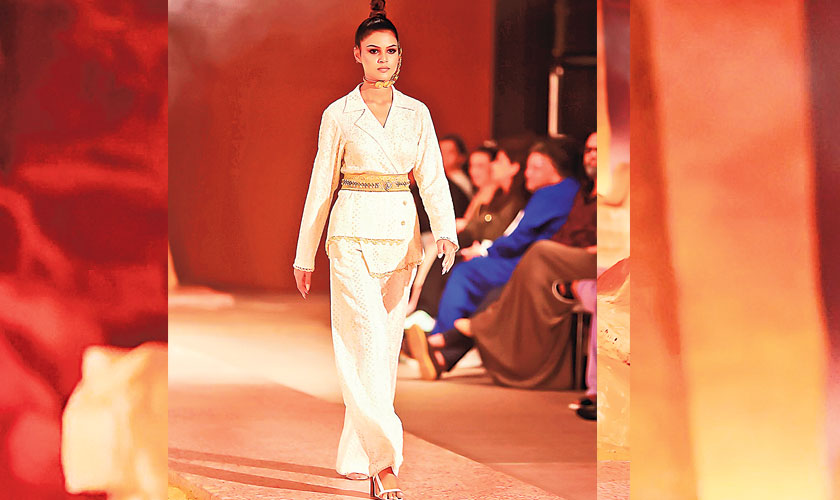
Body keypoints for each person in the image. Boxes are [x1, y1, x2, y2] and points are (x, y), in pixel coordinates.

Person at [292, 2, 458, 498]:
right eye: (373, 51)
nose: (382, 59)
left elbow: (433, 176)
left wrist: (446, 231)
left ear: (400, 56)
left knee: (383, 351)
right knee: (362, 343)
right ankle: (383, 466)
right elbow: (321, 185)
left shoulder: (417, 113)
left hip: (401, 238)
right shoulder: (339, 114)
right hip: (350, 236)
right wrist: (305, 252)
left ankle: (356, 453)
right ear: (357, 55)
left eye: (390, 51)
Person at [408, 133, 598, 383]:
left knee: (468, 272)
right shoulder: (570, 191)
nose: (528, 173)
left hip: (535, 263)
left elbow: (520, 237)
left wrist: (487, 251)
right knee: (480, 280)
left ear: (554, 168)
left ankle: (439, 342)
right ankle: (441, 348)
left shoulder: (554, 192)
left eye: (536, 167)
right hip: (538, 260)